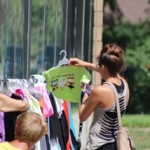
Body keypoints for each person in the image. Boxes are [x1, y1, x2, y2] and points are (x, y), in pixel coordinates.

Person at [69, 43, 129, 150]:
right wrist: (84, 64)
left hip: (99, 146)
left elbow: (82, 117)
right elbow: (108, 70)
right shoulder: (124, 84)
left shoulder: (100, 91)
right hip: (116, 143)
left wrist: (85, 100)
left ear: (103, 67)